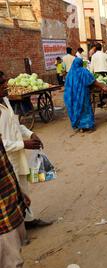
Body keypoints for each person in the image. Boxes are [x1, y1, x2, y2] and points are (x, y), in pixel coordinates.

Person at [0, 139, 59, 268]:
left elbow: (4, 169)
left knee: (11, 257)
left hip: (9, 202)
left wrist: (18, 193)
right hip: (3, 216)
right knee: (9, 261)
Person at [0, 71, 53, 230]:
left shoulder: (6, 102)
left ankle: (28, 220)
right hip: (6, 162)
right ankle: (17, 230)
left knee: (23, 190)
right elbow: (1, 143)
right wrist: (24, 144)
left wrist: (30, 133)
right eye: (1, 83)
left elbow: (15, 125)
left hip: (17, 156)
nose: (5, 86)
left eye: (4, 82)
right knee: (11, 198)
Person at [64, 58, 107, 132]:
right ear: (81, 63)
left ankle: (80, 126)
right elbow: (92, 81)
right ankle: (88, 126)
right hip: (82, 94)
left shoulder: (69, 73)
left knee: (75, 108)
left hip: (71, 95)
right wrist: (102, 86)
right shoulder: (83, 71)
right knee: (85, 108)